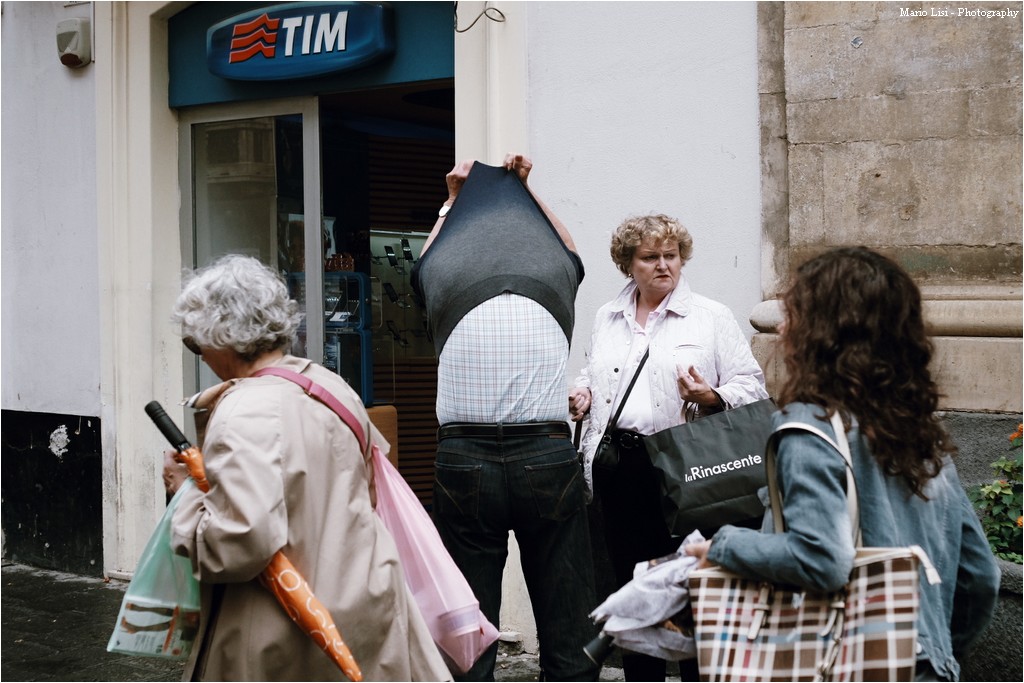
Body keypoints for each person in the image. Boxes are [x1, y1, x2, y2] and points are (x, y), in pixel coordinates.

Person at [685, 247, 1001, 682]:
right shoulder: (919, 431)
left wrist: (723, 546)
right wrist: (937, 652)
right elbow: (981, 577)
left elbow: (820, 558)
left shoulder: (808, 426)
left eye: (793, 314)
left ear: (821, 331)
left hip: (842, 665)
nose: (781, 327)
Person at [162, 254, 451, 682]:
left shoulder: (241, 409)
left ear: (220, 333)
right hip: (364, 603)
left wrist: (185, 492)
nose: (200, 355)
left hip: (289, 630)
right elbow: (368, 491)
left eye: (195, 341)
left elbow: (239, 542)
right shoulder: (330, 385)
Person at [411, 153, 599, 681]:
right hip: (545, 452)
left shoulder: (444, 277)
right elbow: (570, 252)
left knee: (467, 623)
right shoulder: (555, 271)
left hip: (463, 456)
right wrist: (527, 188)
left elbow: (423, 267)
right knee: (568, 615)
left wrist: (451, 202)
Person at [569, 213, 768, 682]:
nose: (664, 265)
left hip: (687, 467)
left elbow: (752, 386)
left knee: (694, 584)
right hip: (622, 467)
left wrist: (710, 395)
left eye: (671, 255)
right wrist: (584, 392)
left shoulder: (710, 316)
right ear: (628, 264)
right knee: (635, 587)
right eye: (650, 257)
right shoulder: (608, 316)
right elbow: (597, 372)